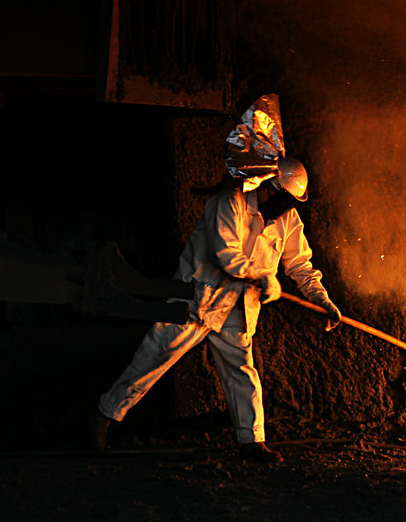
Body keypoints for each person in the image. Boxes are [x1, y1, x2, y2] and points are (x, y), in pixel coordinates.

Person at [89, 95, 341, 463]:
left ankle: (251, 442)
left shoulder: (288, 220)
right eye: (282, 197)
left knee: (242, 372)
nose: (285, 206)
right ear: (267, 183)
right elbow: (227, 255)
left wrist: (322, 300)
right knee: (155, 356)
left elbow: (301, 264)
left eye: (291, 202)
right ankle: (102, 415)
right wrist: (263, 276)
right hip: (196, 300)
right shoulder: (227, 203)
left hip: (237, 310)